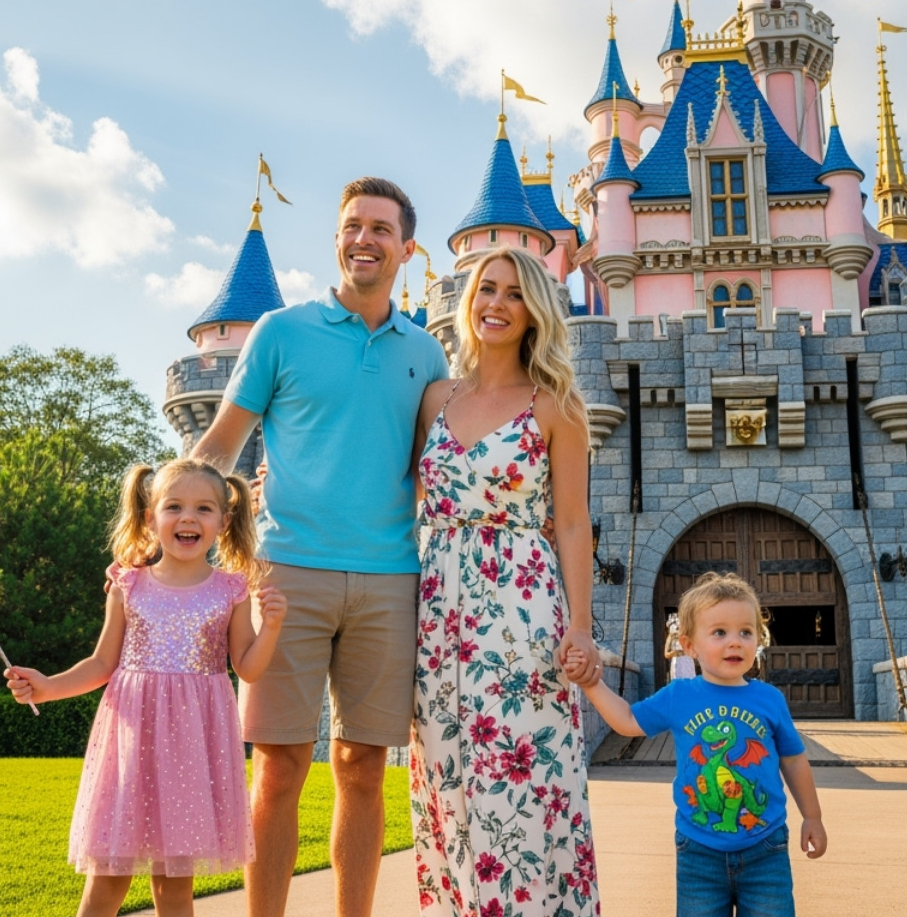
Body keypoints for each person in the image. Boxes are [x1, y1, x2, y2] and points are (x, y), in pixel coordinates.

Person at [191, 177, 449, 917]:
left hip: (389, 582)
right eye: (352, 226)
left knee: (364, 766)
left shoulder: (427, 356)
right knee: (277, 768)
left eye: (379, 228)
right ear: (338, 237)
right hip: (284, 576)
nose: (363, 239)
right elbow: (221, 444)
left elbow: (435, 474)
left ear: (406, 247)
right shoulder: (280, 331)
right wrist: (160, 528)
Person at [4, 459, 287, 917]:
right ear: (150, 516)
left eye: (204, 508)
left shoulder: (231, 590)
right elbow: (102, 663)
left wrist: (271, 626)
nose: (188, 518)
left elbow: (248, 669)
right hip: (132, 746)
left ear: (224, 520)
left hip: (193, 754)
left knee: (174, 888)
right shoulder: (128, 584)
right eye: (173, 506)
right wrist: (47, 687)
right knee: (107, 880)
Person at [410, 245, 602, 917]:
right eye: (486, 288)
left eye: (514, 294)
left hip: (521, 612)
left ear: (536, 313)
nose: (496, 303)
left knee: (525, 782)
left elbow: (574, 525)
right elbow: (399, 499)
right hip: (436, 623)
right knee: (447, 782)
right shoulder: (434, 398)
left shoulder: (556, 407)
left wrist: (580, 627)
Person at [565, 572, 827, 917]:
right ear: (689, 645)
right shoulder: (680, 696)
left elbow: (793, 760)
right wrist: (591, 684)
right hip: (698, 852)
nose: (735, 642)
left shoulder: (770, 699)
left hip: (766, 847)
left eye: (745, 632)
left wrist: (813, 815)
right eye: (719, 632)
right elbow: (628, 720)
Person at [665, 613, 697, 679]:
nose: (677, 629)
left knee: (689, 682)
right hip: (677, 661)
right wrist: (674, 653)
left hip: (688, 661)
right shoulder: (670, 637)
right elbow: (666, 654)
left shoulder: (688, 637)